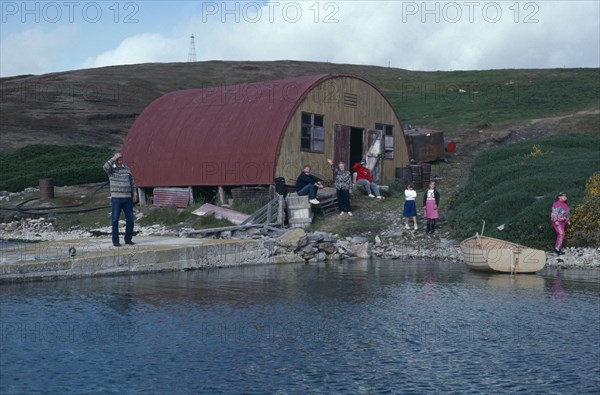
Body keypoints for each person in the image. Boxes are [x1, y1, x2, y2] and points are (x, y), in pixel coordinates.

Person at [103, 152, 138, 247]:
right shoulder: (111, 169)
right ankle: (115, 241)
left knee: (130, 219)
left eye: (120, 159)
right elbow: (105, 167)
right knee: (115, 219)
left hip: (127, 198)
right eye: (118, 159)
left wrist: (134, 193)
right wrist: (113, 158)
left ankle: (128, 239)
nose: (119, 161)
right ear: (115, 159)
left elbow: (132, 182)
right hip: (116, 198)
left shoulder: (127, 169)